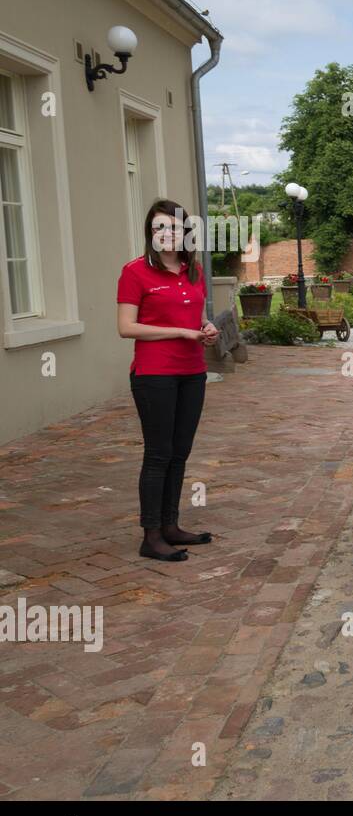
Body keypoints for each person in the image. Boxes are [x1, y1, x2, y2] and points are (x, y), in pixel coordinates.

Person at [116, 199, 219, 561]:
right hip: (154, 375)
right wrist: (180, 332)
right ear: (150, 234)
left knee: (180, 452)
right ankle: (151, 535)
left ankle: (171, 525)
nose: (166, 234)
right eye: (158, 227)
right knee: (158, 454)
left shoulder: (193, 271)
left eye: (173, 227)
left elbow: (198, 317)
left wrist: (205, 329)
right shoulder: (135, 272)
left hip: (192, 373)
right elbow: (125, 327)